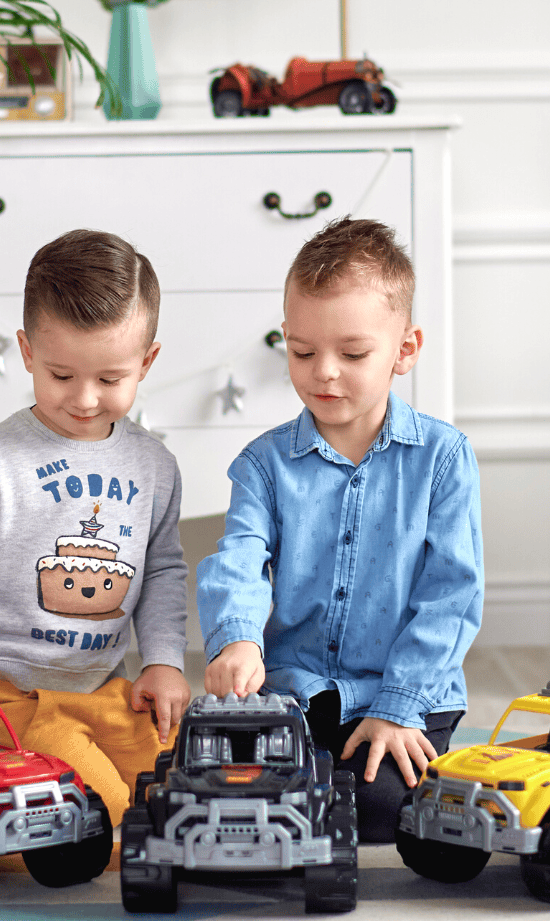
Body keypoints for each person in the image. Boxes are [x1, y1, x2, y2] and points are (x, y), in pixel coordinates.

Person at [0, 229, 190, 825]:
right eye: (61, 375)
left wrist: (164, 662)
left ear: (146, 362)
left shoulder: (155, 467)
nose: (85, 399)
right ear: (26, 352)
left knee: (179, 785)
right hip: (2, 695)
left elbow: (162, 573)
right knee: (103, 807)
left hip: (106, 686)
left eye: (110, 379)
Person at [197, 217, 483, 842]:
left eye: (352, 354)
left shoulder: (443, 459)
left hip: (405, 692)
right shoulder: (263, 465)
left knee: (379, 810)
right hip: (297, 695)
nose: (323, 371)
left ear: (404, 350)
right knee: (239, 791)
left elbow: (452, 594)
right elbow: (239, 557)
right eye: (302, 352)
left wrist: (399, 708)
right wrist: (237, 639)